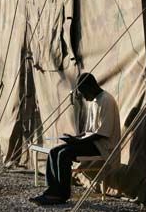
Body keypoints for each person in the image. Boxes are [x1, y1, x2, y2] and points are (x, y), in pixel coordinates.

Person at [29, 73, 120, 205]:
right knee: (54, 152)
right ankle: (52, 191)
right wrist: (75, 138)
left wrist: (78, 142)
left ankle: (62, 195)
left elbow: (102, 133)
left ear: (91, 87)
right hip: (92, 142)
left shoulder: (106, 100)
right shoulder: (95, 100)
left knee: (64, 154)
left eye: (84, 93)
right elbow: (89, 131)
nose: (83, 97)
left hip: (103, 146)